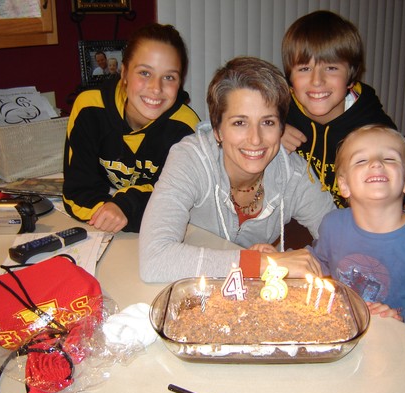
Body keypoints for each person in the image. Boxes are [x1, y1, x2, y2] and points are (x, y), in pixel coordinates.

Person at [139, 56, 336, 282]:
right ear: (217, 130)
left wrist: (298, 260)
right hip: (187, 288)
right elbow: (154, 260)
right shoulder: (190, 159)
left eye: (268, 122)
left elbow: (342, 243)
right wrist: (262, 264)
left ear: (281, 129)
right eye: (240, 123)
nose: (255, 139)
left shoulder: (295, 175)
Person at [309, 125, 405, 335]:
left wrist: (401, 319)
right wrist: (285, 260)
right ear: (344, 185)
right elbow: (319, 261)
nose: (376, 163)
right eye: (361, 160)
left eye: (390, 158)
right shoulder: (332, 224)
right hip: (341, 328)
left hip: (394, 338)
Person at [63, 23, 200, 233]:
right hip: (105, 230)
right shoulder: (89, 109)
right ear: (124, 73)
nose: (156, 88)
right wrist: (109, 212)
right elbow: (77, 191)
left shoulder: (186, 129)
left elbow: (179, 201)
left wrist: (125, 206)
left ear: (180, 82)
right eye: (145, 73)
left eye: (169, 77)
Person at [281, 10, 396, 208]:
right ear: (290, 79)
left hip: (351, 221)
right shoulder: (279, 111)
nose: (317, 81)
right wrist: (271, 135)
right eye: (304, 69)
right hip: (297, 219)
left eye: (331, 68)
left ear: (350, 78)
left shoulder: (373, 128)